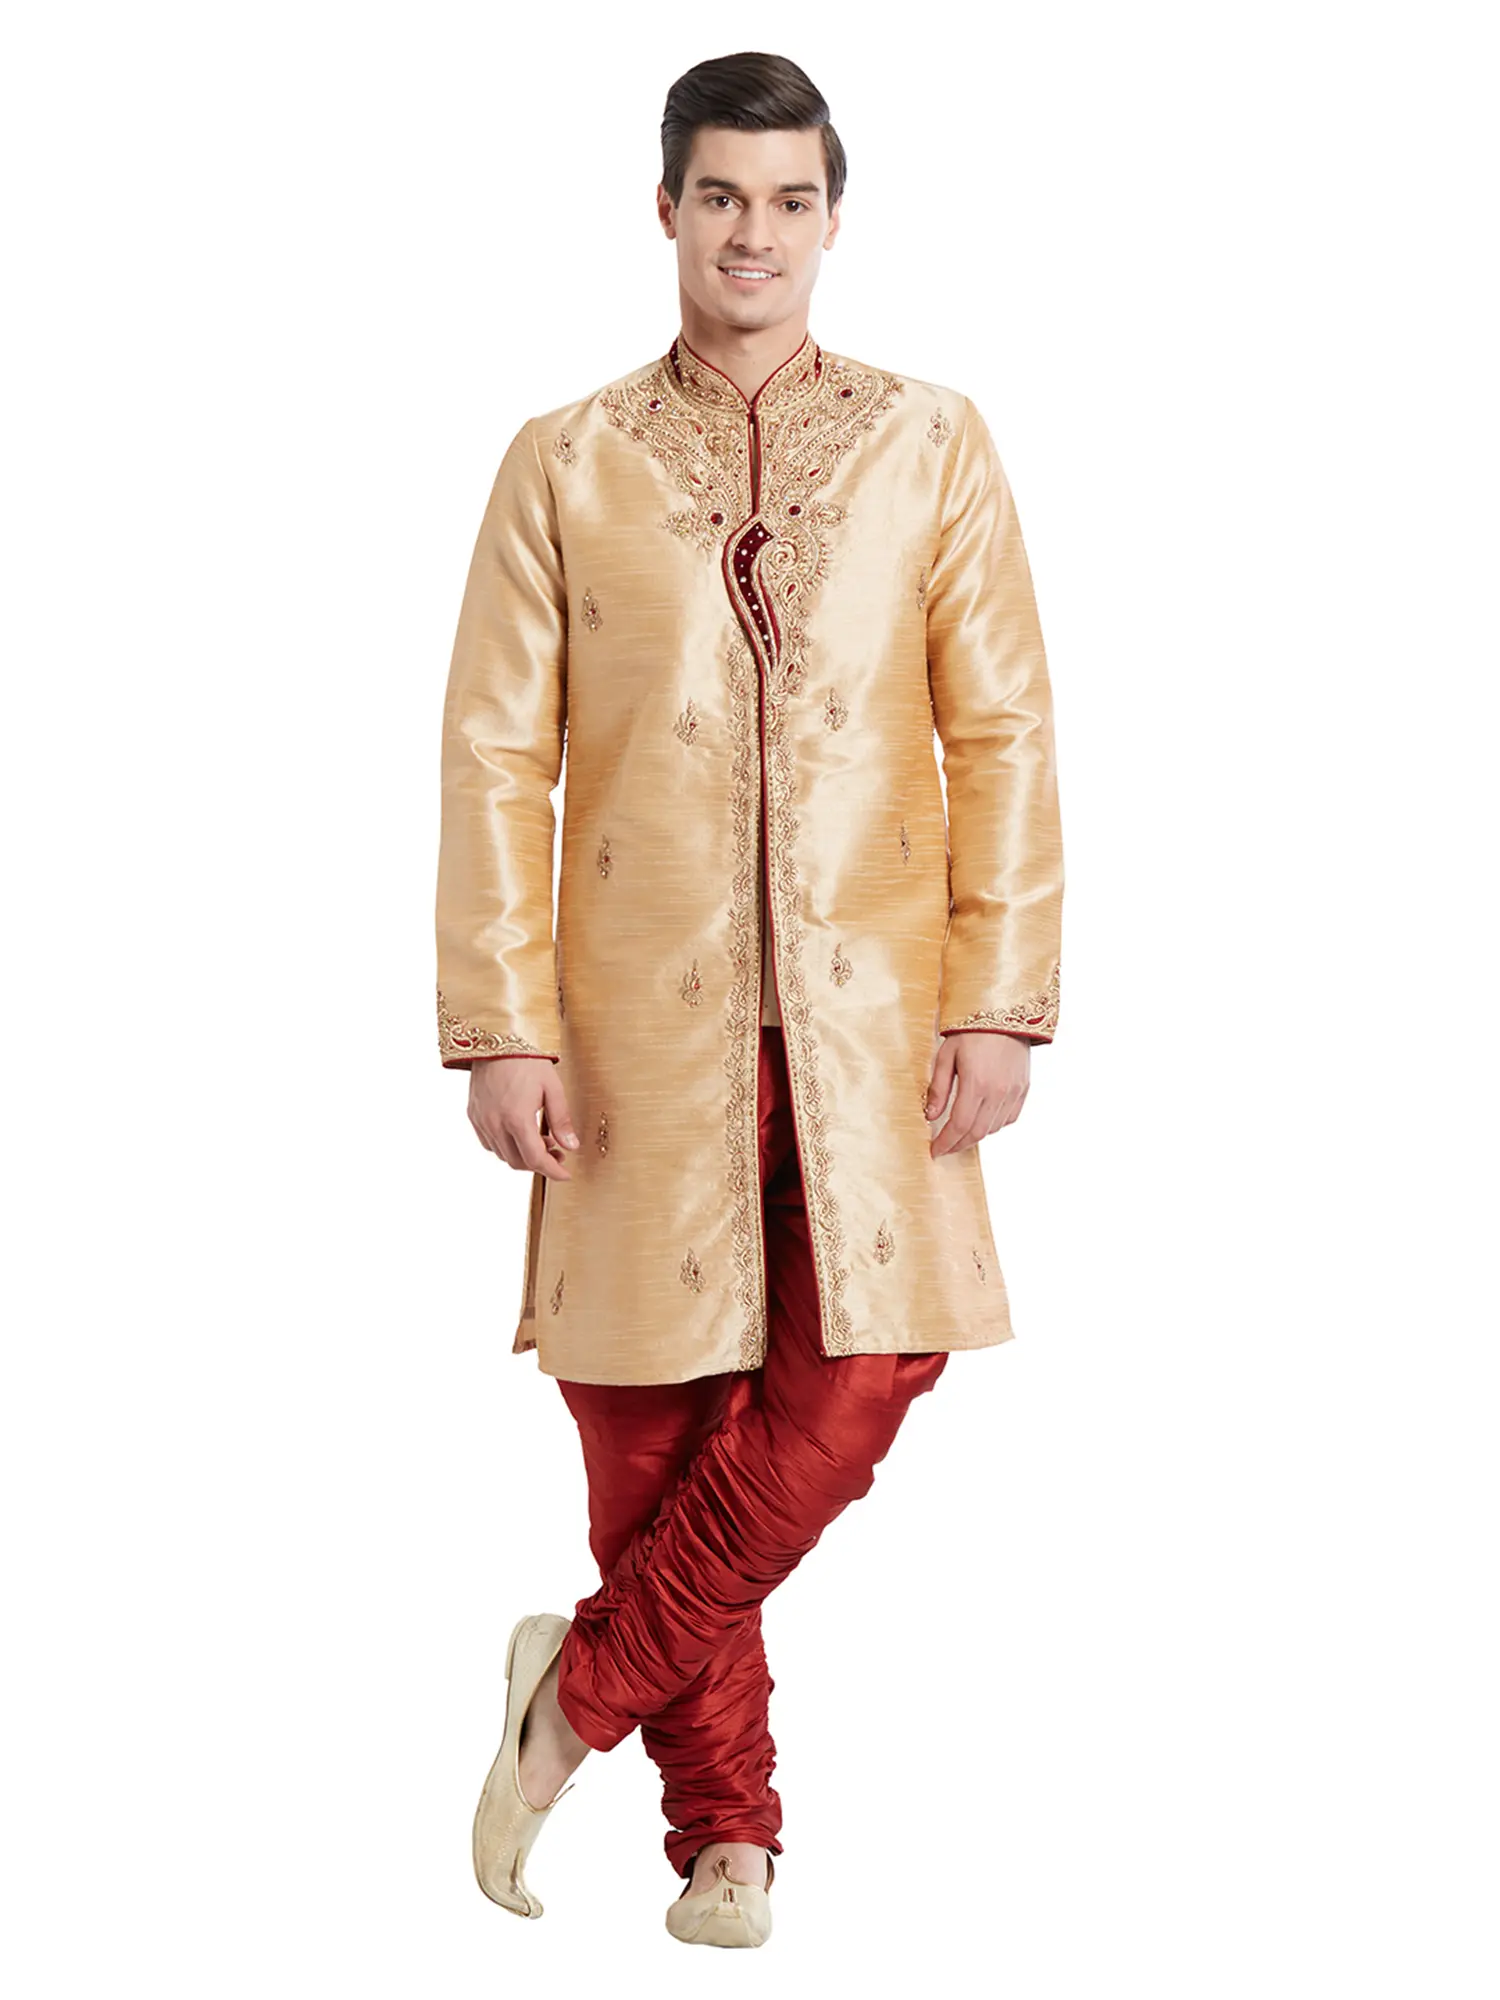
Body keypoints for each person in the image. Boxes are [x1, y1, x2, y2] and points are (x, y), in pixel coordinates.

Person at [435, 49, 1064, 1948]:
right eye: (721, 196)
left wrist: (1000, 996)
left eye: (790, 201)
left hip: (880, 1024)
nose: (753, 235)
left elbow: (1003, 729)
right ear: (667, 211)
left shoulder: (931, 441)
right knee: (654, 1436)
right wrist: (504, 1024)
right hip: (629, 1030)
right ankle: (729, 1838)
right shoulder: (566, 458)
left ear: (833, 220)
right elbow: (496, 756)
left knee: (869, 1372)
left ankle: (573, 1696)